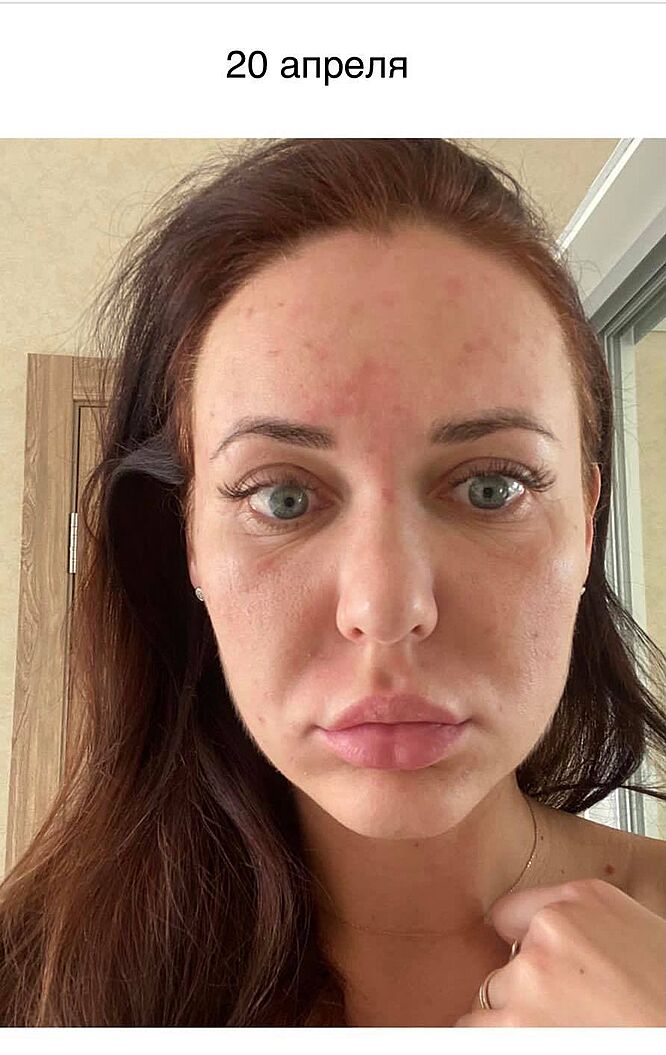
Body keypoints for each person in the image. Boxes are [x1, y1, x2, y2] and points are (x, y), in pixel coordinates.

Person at [1, 138, 665, 1027]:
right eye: (282, 496)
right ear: (187, 539)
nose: (386, 611)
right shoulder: (32, 985)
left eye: (490, 486)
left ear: (586, 524)